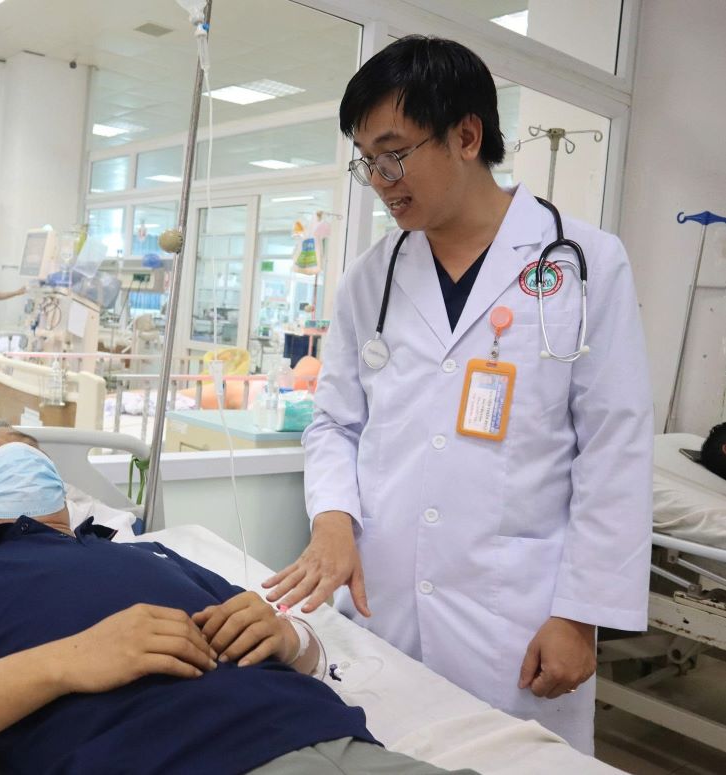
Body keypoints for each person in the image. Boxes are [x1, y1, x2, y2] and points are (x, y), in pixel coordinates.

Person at [264, 36, 652, 754]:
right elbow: (334, 424)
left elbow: (613, 449)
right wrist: (332, 519)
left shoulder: (583, 264)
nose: (379, 178)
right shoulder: (370, 278)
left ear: (466, 135)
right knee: (375, 754)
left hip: (513, 616)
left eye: (393, 153)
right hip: (381, 600)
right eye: (366, 161)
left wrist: (580, 614)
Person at [0, 421, 478, 775]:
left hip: (341, 744)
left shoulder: (148, 553)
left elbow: (306, 649)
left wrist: (288, 636)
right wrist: (71, 657)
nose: (15, 455)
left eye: (31, 455)